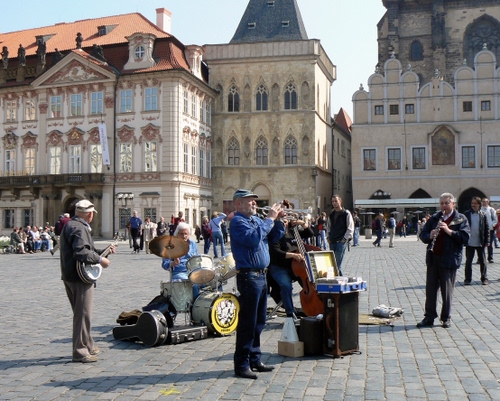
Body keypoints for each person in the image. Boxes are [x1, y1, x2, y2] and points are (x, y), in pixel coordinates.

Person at [229, 189, 285, 380]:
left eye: (254, 200)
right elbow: (252, 240)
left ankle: (255, 359)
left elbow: (273, 237)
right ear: (238, 204)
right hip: (249, 277)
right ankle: (242, 364)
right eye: (250, 200)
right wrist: (270, 219)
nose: (254, 203)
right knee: (248, 322)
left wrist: (278, 222)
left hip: (261, 277)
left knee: (260, 321)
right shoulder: (238, 222)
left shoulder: (255, 220)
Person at [59, 199, 115, 363]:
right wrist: (100, 260)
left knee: (81, 314)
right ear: (90, 214)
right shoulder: (79, 228)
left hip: (70, 275)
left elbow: (87, 249)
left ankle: (88, 345)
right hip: (79, 278)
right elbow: (81, 252)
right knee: (83, 315)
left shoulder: (70, 225)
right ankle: (80, 351)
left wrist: (104, 252)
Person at [417, 192, 469, 329]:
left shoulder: (460, 218)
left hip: (449, 258)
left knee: (447, 291)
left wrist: (449, 231)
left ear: (453, 204)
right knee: (431, 290)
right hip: (433, 258)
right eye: (442, 203)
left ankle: (446, 318)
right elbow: (423, 235)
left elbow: (465, 238)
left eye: (447, 203)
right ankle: (429, 317)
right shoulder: (435, 218)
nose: (444, 206)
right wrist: (429, 235)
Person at [269, 213, 314, 317]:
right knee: (286, 286)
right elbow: (275, 252)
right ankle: (290, 313)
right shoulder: (275, 233)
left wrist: (302, 223)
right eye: (282, 221)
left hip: (295, 266)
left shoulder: (293, 231)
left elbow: (310, 233)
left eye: (286, 221)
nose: (284, 223)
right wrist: (293, 255)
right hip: (279, 267)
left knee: (310, 282)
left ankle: (313, 307)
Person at [161, 222, 201, 298]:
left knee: (214, 281)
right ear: (177, 234)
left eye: (186, 234)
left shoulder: (192, 244)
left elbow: (197, 259)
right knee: (193, 284)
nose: (184, 236)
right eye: (181, 234)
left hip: (192, 271)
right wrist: (173, 263)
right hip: (179, 272)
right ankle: (194, 303)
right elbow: (164, 264)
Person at [463, 197, 490, 285]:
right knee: (468, 262)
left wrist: (487, 240)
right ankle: (467, 279)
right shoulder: (467, 214)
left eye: (475, 203)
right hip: (470, 242)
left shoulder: (483, 214)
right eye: (472, 203)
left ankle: (484, 278)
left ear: (479, 204)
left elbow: (486, 228)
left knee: (483, 262)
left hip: (480, 242)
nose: (473, 205)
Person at [326, 195, 354, 276]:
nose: (334, 203)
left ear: (340, 201)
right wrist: (328, 237)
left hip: (341, 242)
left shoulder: (346, 213)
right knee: (333, 264)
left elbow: (350, 227)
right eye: (333, 201)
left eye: (336, 201)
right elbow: (328, 227)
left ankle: (339, 280)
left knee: (337, 265)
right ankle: (340, 280)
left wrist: (344, 239)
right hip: (332, 241)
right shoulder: (331, 214)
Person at [481, 198, 497, 263]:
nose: (484, 202)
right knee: (481, 245)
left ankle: (490, 258)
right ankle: (481, 258)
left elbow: (495, 219)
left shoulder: (491, 209)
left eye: (486, 201)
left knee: (490, 244)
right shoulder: (480, 209)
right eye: (483, 201)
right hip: (482, 230)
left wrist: (492, 225)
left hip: (490, 230)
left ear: (488, 202)